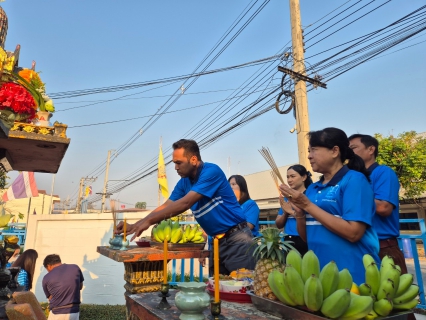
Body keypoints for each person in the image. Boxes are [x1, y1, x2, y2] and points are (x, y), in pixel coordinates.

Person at [117, 139, 256, 275]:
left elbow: (185, 203)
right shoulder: (184, 182)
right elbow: (166, 206)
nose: (176, 167)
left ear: (194, 160)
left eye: (179, 163)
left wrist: (148, 222)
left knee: (242, 288)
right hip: (217, 242)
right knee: (218, 292)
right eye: (174, 163)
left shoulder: (211, 172)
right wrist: (136, 224)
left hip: (238, 240)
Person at [279, 127, 380, 285]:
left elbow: (354, 233)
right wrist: (299, 212)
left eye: (314, 150)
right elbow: (307, 237)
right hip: (321, 276)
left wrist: (308, 205)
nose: (309, 156)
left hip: (353, 274)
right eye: (308, 151)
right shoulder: (312, 188)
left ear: (334, 151)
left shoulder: (354, 180)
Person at [349, 133, 407, 273]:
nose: (349, 152)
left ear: (371, 150)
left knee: (390, 294)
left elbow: (383, 207)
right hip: (356, 247)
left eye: (354, 148)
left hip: (383, 248)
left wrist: (350, 197)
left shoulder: (383, 172)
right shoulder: (352, 177)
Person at [275, 165, 312, 256]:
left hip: (305, 238)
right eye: (287, 177)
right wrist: (285, 213)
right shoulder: (287, 198)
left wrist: (291, 212)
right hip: (289, 240)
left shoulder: (309, 196)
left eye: (293, 176)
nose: (289, 180)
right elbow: (278, 224)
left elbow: (311, 218)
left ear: (303, 177)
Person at [42, 254, 84, 320]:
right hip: (74, 311)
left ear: (49, 266)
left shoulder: (46, 278)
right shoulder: (75, 268)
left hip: (57, 313)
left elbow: (50, 297)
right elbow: (80, 286)